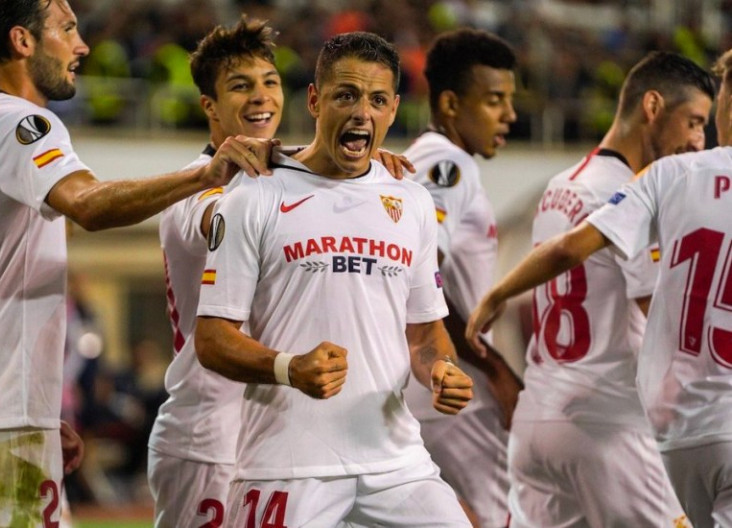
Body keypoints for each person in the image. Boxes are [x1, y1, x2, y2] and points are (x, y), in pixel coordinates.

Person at [0, 0, 275, 525]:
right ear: (22, 41)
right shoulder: (24, 121)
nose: (82, 46)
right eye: (68, 29)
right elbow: (88, 204)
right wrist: (202, 177)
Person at [194, 31, 474, 527]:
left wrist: (441, 370)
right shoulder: (254, 195)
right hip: (287, 464)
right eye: (346, 95)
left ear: (393, 111)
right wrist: (288, 368)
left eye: (378, 99)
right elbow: (212, 339)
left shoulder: (410, 202)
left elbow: (425, 331)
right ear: (315, 100)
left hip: (396, 463)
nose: (362, 111)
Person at [147, 17, 414, 527]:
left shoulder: (275, 177)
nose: (260, 97)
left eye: (269, 82)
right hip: (208, 434)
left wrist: (364, 168)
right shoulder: (194, 189)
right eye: (240, 86)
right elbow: (222, 214)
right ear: (210, 106)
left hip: (276, 432)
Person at [466, 48, 732, 528]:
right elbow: (663, 313)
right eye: (693, 122)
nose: (698, 141)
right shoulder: (637, 196)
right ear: (652, 107)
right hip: (608, 426)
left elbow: (563, 255)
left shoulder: (559, 184)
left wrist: (497, 293)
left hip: (537, 421)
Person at [399, 28, 520, 527]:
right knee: (507, 515)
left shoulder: (438, 160)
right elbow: (422, 267)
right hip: (452, 383)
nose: (510, 115)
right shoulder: (446, 162)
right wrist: (492, 366)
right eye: (495, 101)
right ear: (450, 103)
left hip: (430, 380)